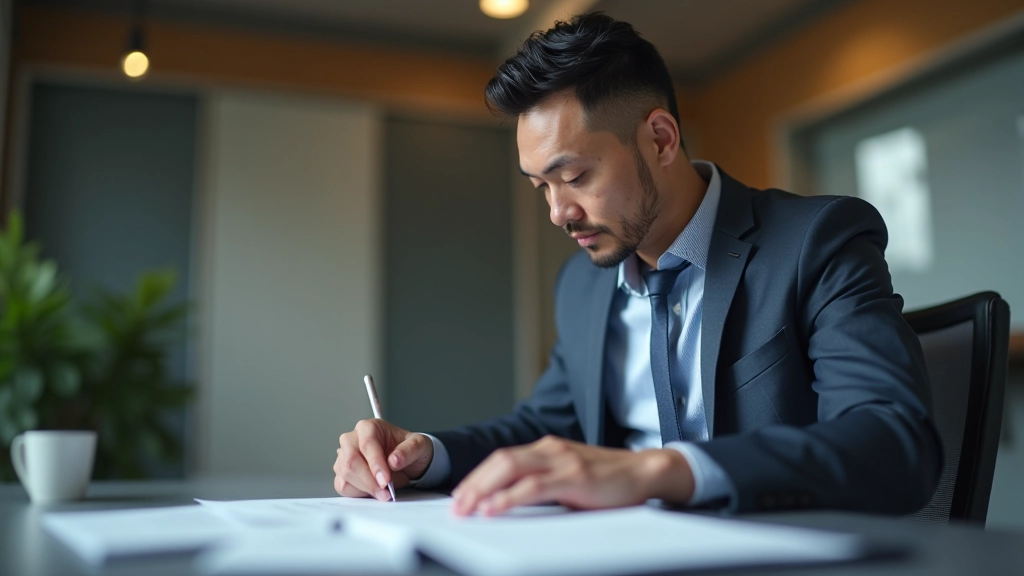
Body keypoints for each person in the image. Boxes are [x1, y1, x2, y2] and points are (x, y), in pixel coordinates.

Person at [333, 12, 942, 516]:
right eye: (540, 187)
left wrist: (656, 471)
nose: (558, 212)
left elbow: (893, 443)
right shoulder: (582, 283)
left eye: (574, 177)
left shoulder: (818, 241)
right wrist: (423, 454)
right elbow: (545, 425)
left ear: (661, 138)